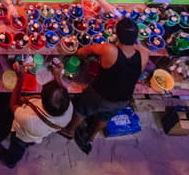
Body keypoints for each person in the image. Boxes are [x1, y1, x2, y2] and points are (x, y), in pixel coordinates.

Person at [63, 18, 149, 155]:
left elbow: (86, 50)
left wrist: (77, 55)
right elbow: (136, 75)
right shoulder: (143, 54)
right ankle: (90, 138)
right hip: (123, 99)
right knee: (105, 118)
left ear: (117, 35)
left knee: (82, 110)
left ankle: (70, 131)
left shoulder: (110, 50)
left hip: (100, 95)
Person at [0, 74, 72, 168]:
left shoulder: (29, 120)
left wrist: (20, 80)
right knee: (28, 142)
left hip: (22, 136)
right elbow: (60, 92)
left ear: (43, 101)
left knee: (17, 148)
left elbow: (13, 104)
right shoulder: (68, 108)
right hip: (38, 134)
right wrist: (56, 75)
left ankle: (10, 161)